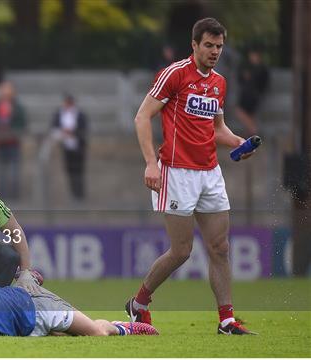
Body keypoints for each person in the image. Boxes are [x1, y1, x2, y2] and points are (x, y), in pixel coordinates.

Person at [128, 18, 256, 335]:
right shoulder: (175, 74)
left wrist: (238, 142)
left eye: (219, 47)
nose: (214, 52)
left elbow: (217, 130)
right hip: (176, 172)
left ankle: (226, 320)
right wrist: (150, 163)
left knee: (220, 248)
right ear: (195, 44)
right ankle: (139, 303)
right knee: (182, 251)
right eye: (209, 45)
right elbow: (142, 116)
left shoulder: (219, 83)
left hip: (210, 173)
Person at [0, 262, 159, 337]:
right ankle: (30, 277)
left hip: (35, 303)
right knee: (73, 337)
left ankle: (126, 327)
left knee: (98, 334)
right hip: (29, 328)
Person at [0, 81, 27, 200]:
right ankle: (2, 197)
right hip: (0, 143)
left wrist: (13, 132)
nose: (5, 92)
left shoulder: (18, 107)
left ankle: (14, 196)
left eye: (8, 89)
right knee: (1, 172)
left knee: (14, 171)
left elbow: (22, 123)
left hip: (13, 143)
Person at [51, 94, 88, 200]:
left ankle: (80, 194)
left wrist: (73, 133)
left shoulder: (80, 114)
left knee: (79, 171)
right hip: (66, 148)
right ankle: (73, 194)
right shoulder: (59, 114)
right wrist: (62, 134)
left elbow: (83, 129)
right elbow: (54, 128)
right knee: (69, 171)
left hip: (78, 148)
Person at [235, 49, 270, 137]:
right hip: (247, 94)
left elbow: (262, 83)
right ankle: (251, 134)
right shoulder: (250, 67)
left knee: (241, 112)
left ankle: (253, 130)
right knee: (249, 115)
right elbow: (241, 79)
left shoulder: (261, 68)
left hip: (252, 95)